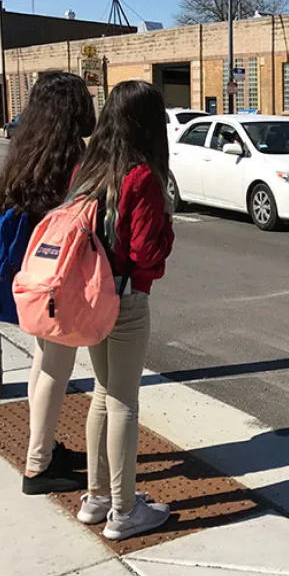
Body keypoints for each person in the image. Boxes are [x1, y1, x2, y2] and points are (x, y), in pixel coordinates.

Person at [68, 80, 175, 541]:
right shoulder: (142, 177)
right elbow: (148, 254)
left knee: (101, 393)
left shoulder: (88, 171)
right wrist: (168, 230)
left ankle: (97, 498)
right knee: (124, 401)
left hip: (88, 298)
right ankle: (126, 511)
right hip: (126, 300)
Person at [0, 71, 95, 495]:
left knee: (43, 360)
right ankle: (38, 466)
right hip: (57, 276)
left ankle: (44, 446)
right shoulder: (72, 158)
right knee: (55, 365)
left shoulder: (28, 150)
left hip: (31, 274)